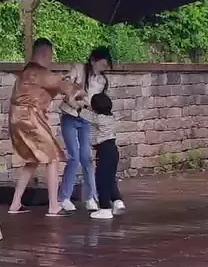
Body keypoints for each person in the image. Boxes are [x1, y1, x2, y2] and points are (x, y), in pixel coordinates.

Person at [8, 38, 82, 217]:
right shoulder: (38, 72)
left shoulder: (27, 72)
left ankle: (15, 203)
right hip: (29, 119)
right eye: (50, 55)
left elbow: (53, 85)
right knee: (52, 157)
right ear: (44, 53)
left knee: (33, 159)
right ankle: (54, 206)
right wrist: (79, 90)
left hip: (18, 118)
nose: (51, 59)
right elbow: (62, 85)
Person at [58, 46, 113, 212]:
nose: (104, 67)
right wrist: (73, 95)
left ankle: (91, 197)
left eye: (106, 64)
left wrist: (87, 106)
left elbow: (97, 103)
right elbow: (65, 84)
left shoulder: (102, 81)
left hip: (86, 119)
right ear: (93, 60)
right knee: (73, 156)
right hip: (70, 116)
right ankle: (64, 198)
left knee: (87, 158)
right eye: (102, 63)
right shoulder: (79, 69)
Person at [89, 90, 125, 222]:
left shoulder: (97, 119)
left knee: (101, 180)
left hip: (104, 150)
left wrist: (78, 103)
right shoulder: (111, 117)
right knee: (109, 178)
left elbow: (80, 113)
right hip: (113, 149)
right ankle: (117, 201)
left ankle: (105, 209)